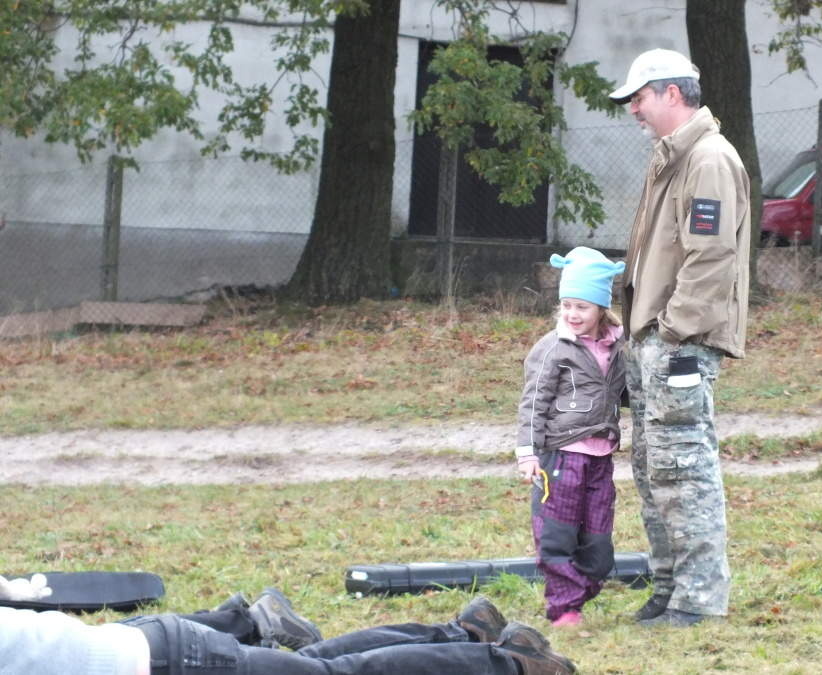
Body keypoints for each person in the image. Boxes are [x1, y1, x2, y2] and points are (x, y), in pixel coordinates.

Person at [607, 48, 751, 627]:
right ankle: (668, 587)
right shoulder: (672, 157)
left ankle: (697, 599)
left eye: (638, 98)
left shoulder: (707, 158)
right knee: (655, 469)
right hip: (654, 341)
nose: (633, 110)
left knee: (684, 471)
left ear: (671, 93)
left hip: (678, 345)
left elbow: (711, 257)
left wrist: (672, 332)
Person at [0, 582, 575, 675]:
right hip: (153, 644)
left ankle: (510, 663)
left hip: (171, 665)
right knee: (319, 663)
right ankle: (465, 635)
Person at [516, 246, 627, 627]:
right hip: (561, 456)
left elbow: (623, 391)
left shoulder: (617, 347)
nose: (572, 314)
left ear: (601, 309)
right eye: (566, 305)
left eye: (582, 306)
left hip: (600, 457)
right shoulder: (553, 348)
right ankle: (565, 608)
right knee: (558, 534)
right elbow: (533, 403)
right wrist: (528, 453)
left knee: (598, 542)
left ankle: (582, 589)